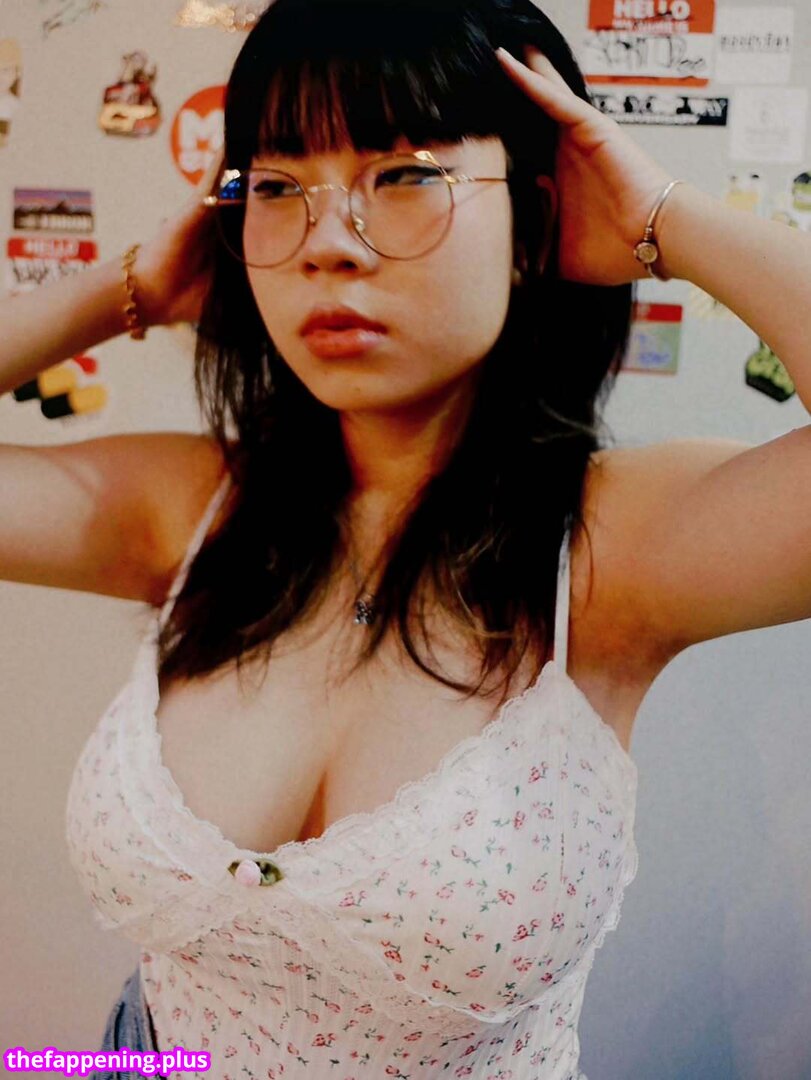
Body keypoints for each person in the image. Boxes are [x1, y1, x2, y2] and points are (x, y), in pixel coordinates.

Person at [2, 0, 809, 1077]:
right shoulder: (193, 508)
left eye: (405, 175)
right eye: (278, 188)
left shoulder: (611, 550)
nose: (329, 243)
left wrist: (665, 219)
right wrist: (129, 288)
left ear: (532, 219)